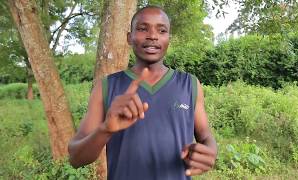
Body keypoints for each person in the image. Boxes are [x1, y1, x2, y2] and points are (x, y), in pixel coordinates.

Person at [68, 5, 218, 180]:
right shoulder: (106, 86)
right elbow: (75, 158)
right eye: (142, 28)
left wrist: (211, 151)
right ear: (129, 37)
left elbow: (205, 135)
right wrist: (105, 129)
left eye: (161, 30)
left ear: (169, 38)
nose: (152, 36)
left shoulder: (190, 84)